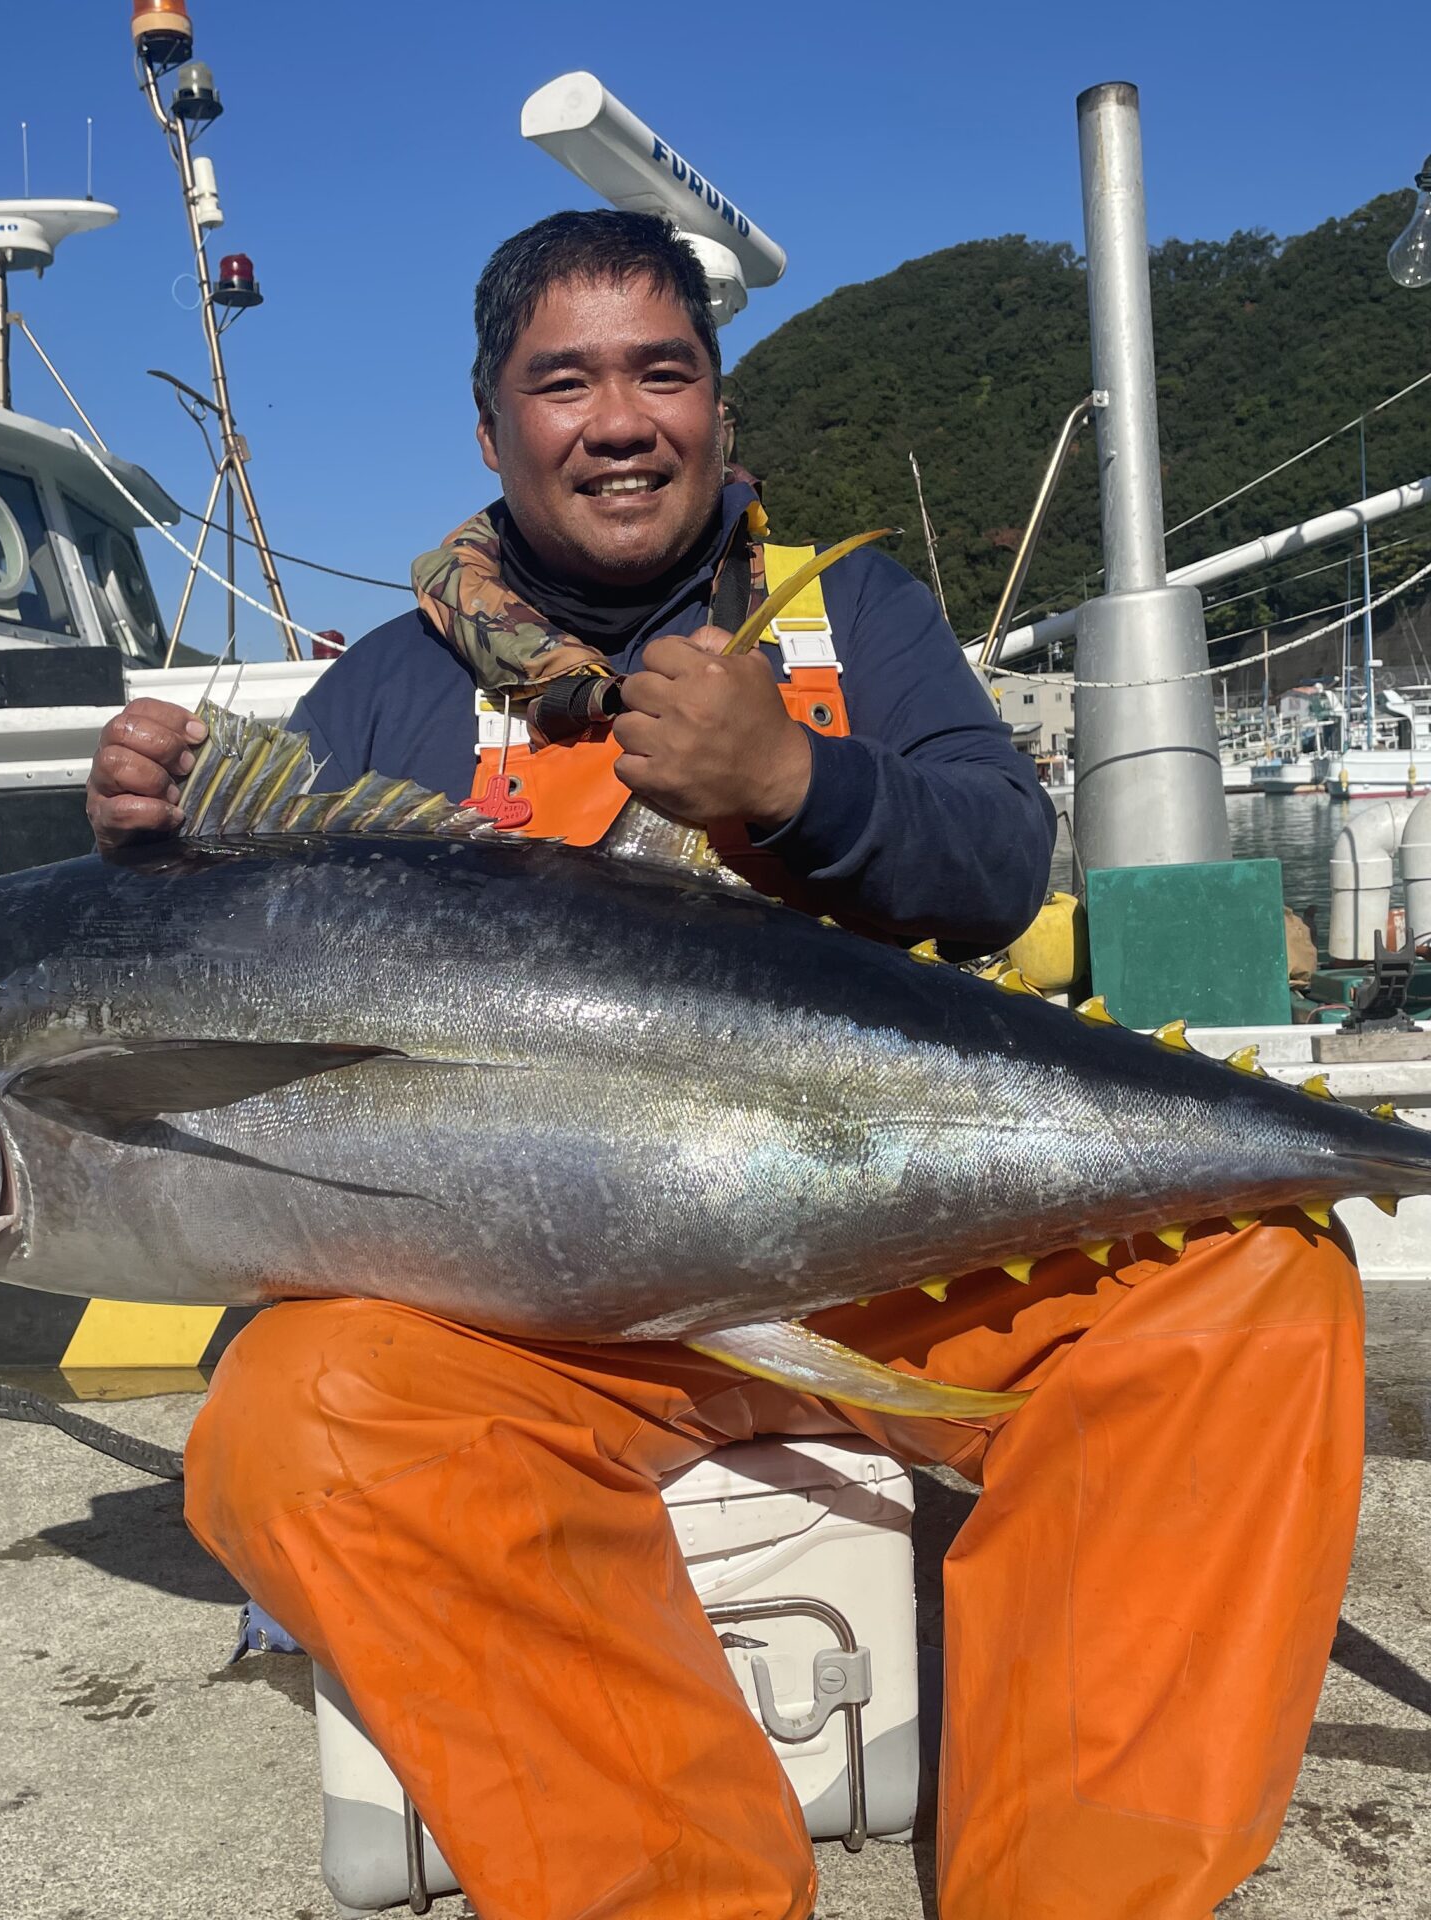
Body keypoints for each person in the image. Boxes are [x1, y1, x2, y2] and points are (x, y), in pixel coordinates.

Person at [86, 211, 1363, 1920]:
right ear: (491, 428)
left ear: (718, 411)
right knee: (292, 1422)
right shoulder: (386, 694)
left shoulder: (860, 618)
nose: (619, 419)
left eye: (661, 372)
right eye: (565, 381)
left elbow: (995, 867)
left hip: (890, 1256)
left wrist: (795, 785)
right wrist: (156, 849)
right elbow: (240, 1008)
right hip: (529, 1323)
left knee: (1256, 1287)